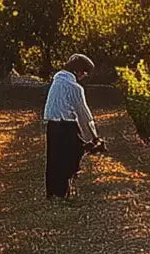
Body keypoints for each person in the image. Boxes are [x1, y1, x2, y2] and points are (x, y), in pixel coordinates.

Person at [43, 53, 104, 199]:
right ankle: (63, 191)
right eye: (84, 72)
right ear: (77, 71)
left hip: (52, 125)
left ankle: (53, 193)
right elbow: (83, 114)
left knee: (54, 159)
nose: (84, 75)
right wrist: (94, 136)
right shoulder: (75, 87)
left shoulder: (57, 81)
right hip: (66, 125)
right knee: (70, 157)